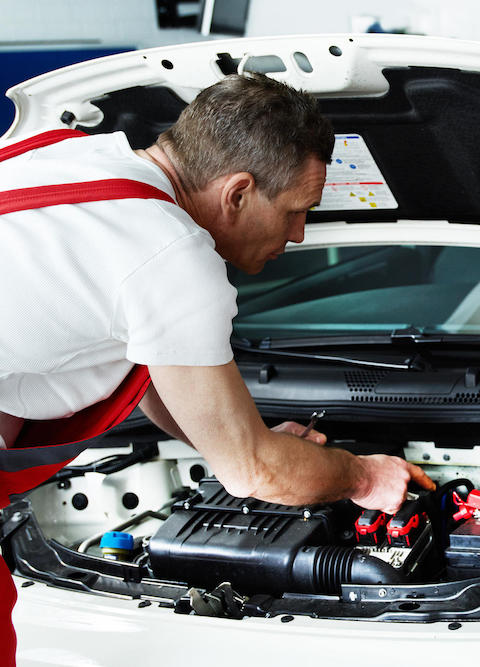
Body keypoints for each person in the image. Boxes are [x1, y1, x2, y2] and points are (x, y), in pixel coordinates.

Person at [0, 73, 433, 665]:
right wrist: (364, 477)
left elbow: (149, 362)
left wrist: (231, 436)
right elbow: (253, 475)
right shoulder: (170, 255)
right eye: (295, 211)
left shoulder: (64, 157)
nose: (300, 234)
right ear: (237, 193)